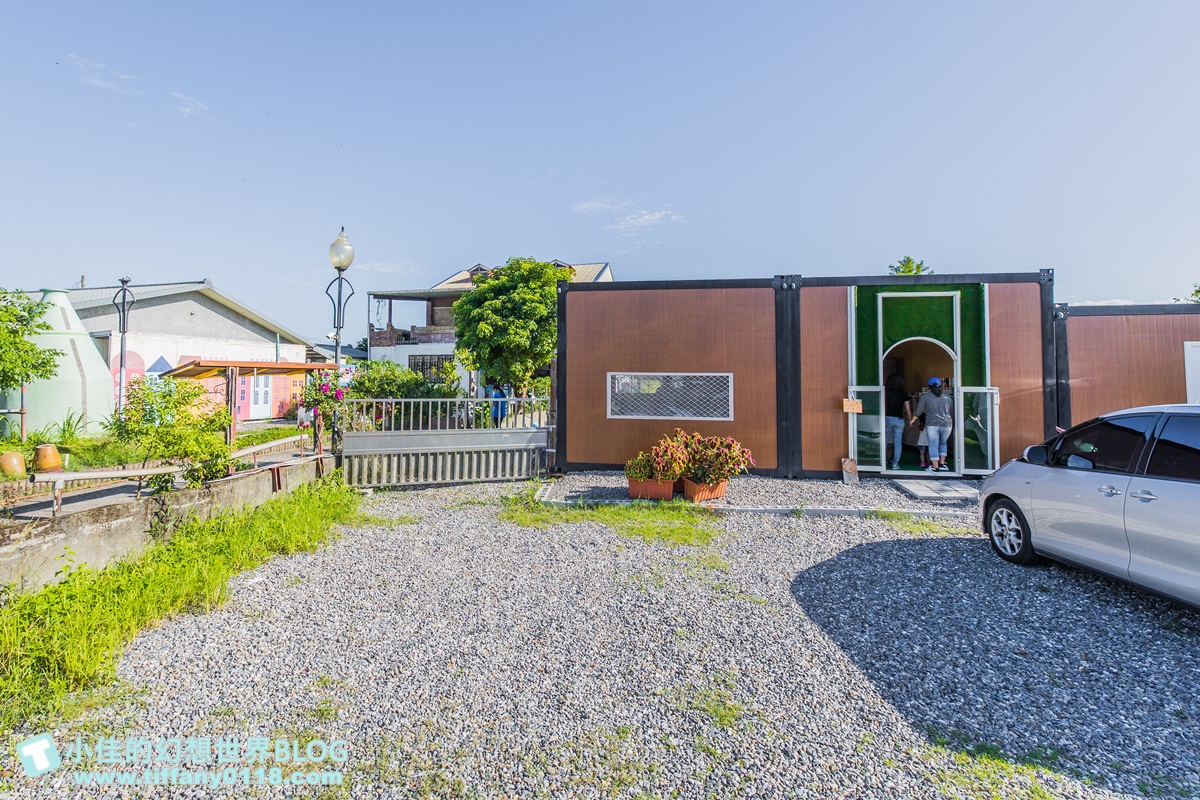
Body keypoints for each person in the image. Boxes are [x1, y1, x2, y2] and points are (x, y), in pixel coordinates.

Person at [912, 377, 953, 472]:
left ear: (928, 387)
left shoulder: (925, 397)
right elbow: (951, 411)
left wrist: (913, 420)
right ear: (941, 386)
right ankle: (942, 464)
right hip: (947, 424)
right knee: (943, 443)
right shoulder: (947, 397)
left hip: (932, 424)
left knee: (933, 444)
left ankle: (935, 467)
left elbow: (919, 411)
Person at [884, 374, 911, 470]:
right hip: (899, 420)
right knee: (898, 442)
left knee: (885, 441)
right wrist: (910, 420)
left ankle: (881, 462)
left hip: (886, 418)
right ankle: (895, 464)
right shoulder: (903, 393)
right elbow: (908, 409)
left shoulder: (884, 392)